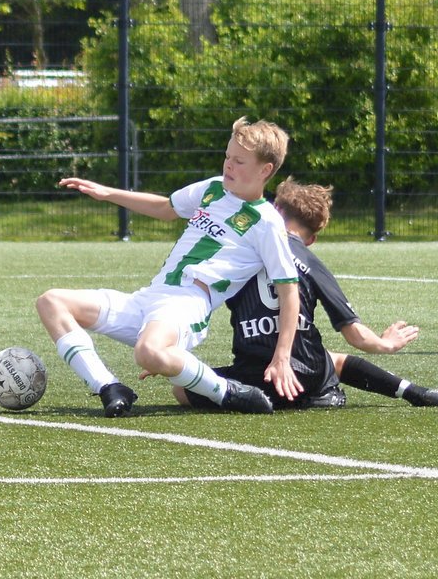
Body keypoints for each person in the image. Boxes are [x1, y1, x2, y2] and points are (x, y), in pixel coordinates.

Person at [36, 116, 303, 416]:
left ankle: (227, 391)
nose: (228, 165)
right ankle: (108, 387)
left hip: (186, 304)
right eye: (227, 156)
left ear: (265, 170)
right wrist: (106, 193)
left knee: (148, 352)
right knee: (51, 302)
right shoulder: (212, 189)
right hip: (149, 297)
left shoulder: (267, 222)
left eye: (239, 161)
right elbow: (165, 208)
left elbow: (289, 291)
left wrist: (282, 356)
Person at [174, 177, 438, 411]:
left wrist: (169, 343)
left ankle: (253, 399)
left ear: (275, 209)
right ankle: (415, 393)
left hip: (255, 375)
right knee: (334, 359)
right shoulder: (311, 262)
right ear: (311, 239)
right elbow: (355, 335)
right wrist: (386, 344)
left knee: (182, 389)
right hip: (306, 375)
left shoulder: (239, 251)